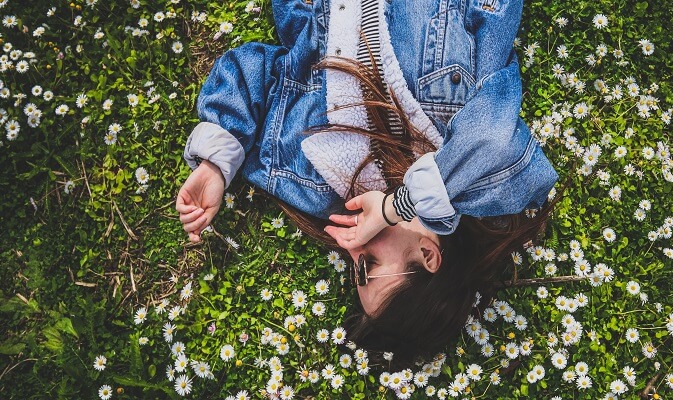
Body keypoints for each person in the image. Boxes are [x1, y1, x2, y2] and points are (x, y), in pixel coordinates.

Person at [176, 0, 558, 366]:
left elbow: (255, 72)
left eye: (352, 270)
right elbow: (497, 139)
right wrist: (396, 207)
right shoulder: (482, 178)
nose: (352, 250)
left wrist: (215, 165)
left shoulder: (314, 178)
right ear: (428, 255)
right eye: (368, 266)